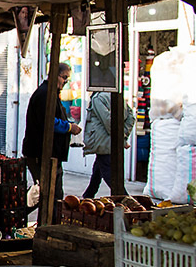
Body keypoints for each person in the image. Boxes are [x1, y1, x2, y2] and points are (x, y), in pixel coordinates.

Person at [22, 63, 82, 208]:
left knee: (51, 194)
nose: (65, 82)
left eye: (67, 79)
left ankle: (42, 220)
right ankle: (28, 217)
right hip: (40, 153)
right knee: (48, 194)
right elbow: (48, 121)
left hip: (49, 153)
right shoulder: (45, 94)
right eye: (64, 78)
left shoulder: (51, 93)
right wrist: (69, 127)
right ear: (55, 75)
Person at [82, 91, 135, 198]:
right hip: (107, 143)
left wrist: (120, 140)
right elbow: (131, 117)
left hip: (104, 143)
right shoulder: (117, 97)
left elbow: (110, 123)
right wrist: (123, 136)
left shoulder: (98, 98)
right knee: (98, 169)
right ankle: (88, 195)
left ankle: (125, 199)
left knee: (108, 173)